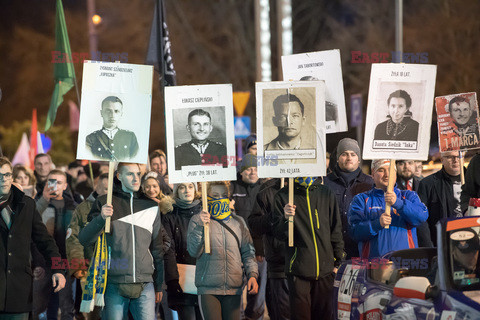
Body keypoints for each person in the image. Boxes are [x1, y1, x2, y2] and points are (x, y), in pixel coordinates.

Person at [78, 163, 164, 319]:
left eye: (138, 174)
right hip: (113, 283)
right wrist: (101, 218)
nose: (136, 178)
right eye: (130, 174)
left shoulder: (152, 206)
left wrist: (159, 284)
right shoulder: (105, 202)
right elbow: (85, 239)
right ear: (119, 176)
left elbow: (157, 248)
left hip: (145, 282)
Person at [0, 157, 66, 320]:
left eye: (7, 175)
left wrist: (57, 269)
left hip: (18, 291)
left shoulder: (26, 204)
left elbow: (44, 240)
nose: (4, 179)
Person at [272, 177, 344, 320]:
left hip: (325, 270)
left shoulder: (326, 192)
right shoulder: (283, 195)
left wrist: (338, 261)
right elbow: (279, 234)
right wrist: (285, 219)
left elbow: (335, 228)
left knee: (324, 316)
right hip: (298, 270)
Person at [187, 181, 259, 320]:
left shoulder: (238, 222)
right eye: (215, 195)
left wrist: (252, 275)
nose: (220, 198)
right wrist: (201, 226)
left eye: (223, 195)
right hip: (208, 288)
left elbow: (248, 253)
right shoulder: (197, 220)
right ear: (206, 197)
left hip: (234, 288)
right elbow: (193, 251)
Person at [348, 159, 428, 259]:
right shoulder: (361, 199)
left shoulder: (408, 195)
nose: (387, 175)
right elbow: (354, 232)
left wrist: (399, 204)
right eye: (381, 170)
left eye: (390, 170)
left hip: (406, 263)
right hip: (374, 265)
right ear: (373, 174)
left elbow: (422, 217)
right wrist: (376, 224)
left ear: (395, 173)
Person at [34, 169, 78, 320]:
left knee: (66, 306)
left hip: (66, 262)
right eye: (51, 181)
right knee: (38, 306)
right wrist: (36, 263)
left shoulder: (73, 207)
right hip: (43, 262)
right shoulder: (38, 203)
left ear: (65, 186)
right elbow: (30, 232)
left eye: (59, 182)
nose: (55, 186)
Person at [65, 173, 109, 320]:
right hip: (91, 272)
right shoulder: (83, 209)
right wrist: (77, 266)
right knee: (94, 314)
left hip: (117, 270)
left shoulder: (121, 206)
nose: (109, 193)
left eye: (112, 190)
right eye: (105, 189)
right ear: (97, 187)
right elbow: (73, 238)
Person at [323, 138, 374, 258]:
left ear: (358, 158)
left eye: (353, 154)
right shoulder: (325, 183)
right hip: (331, 249)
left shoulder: (370, 183)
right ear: (337, 158)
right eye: (344, 154)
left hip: (361, 248)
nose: (349, 158)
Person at [248, 178, 290, 320]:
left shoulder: (312, 187)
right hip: (279, 263)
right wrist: (277, 215)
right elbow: (254, 224)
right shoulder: (268, 190)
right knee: (281, 313)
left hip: (308, 263)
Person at [230, 155, 265, 320]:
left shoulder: (264, 189)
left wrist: (260, 247)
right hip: (237, 248)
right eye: (249, 168)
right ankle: (239, 315)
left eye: (256, 169)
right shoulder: (233, 188)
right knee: (237, 286)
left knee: (258, 290)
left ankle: (254, 316)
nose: (253, 172)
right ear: (241, 171)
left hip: (259, 249)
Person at [161, 182, 203, 320]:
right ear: (176, 191)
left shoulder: (205, 213)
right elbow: (169, 250)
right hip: (182, 279)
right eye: (182, 187)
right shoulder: (169, 216)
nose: (187, 191)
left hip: (205, 278)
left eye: (190, 186)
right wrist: (172, 279)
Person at [418, 151, 464, 246]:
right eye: (450, 157)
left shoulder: (475, 181)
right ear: (442, 159)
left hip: (472, 241)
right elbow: (422, 220)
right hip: (442, 243)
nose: (455, 160)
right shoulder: (427, 184)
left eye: (458, 156)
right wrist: (428, 247)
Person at [85, 96, 139, 161]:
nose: (112, 115)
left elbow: (135, 158)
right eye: (108, 111)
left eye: (116, 111)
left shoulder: (130, 137)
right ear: (101, 113)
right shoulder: (90, 139)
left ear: (121, 114)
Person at [396, 159, 433, 247]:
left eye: (410, 163)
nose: (406, 167)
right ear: (396, 166)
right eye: (401, 163)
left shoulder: (425, 184)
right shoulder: (391, 187)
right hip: (401, 239)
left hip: (424, 240)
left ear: (415, 165)